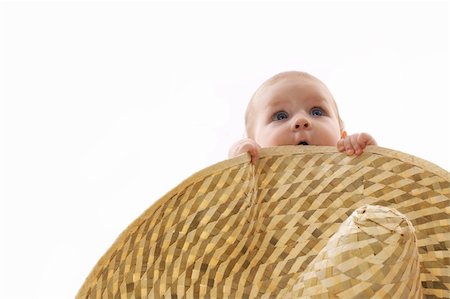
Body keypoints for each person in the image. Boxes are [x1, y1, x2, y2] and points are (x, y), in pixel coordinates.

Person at [229, 71, 377, 164]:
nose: (301, 120)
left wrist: (371, 160)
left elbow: (386, 203)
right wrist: (237, 167)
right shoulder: (254, 183)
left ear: (342, 136)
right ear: (254, 142)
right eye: (281, 116)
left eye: (317, 112)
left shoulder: (350, 170)